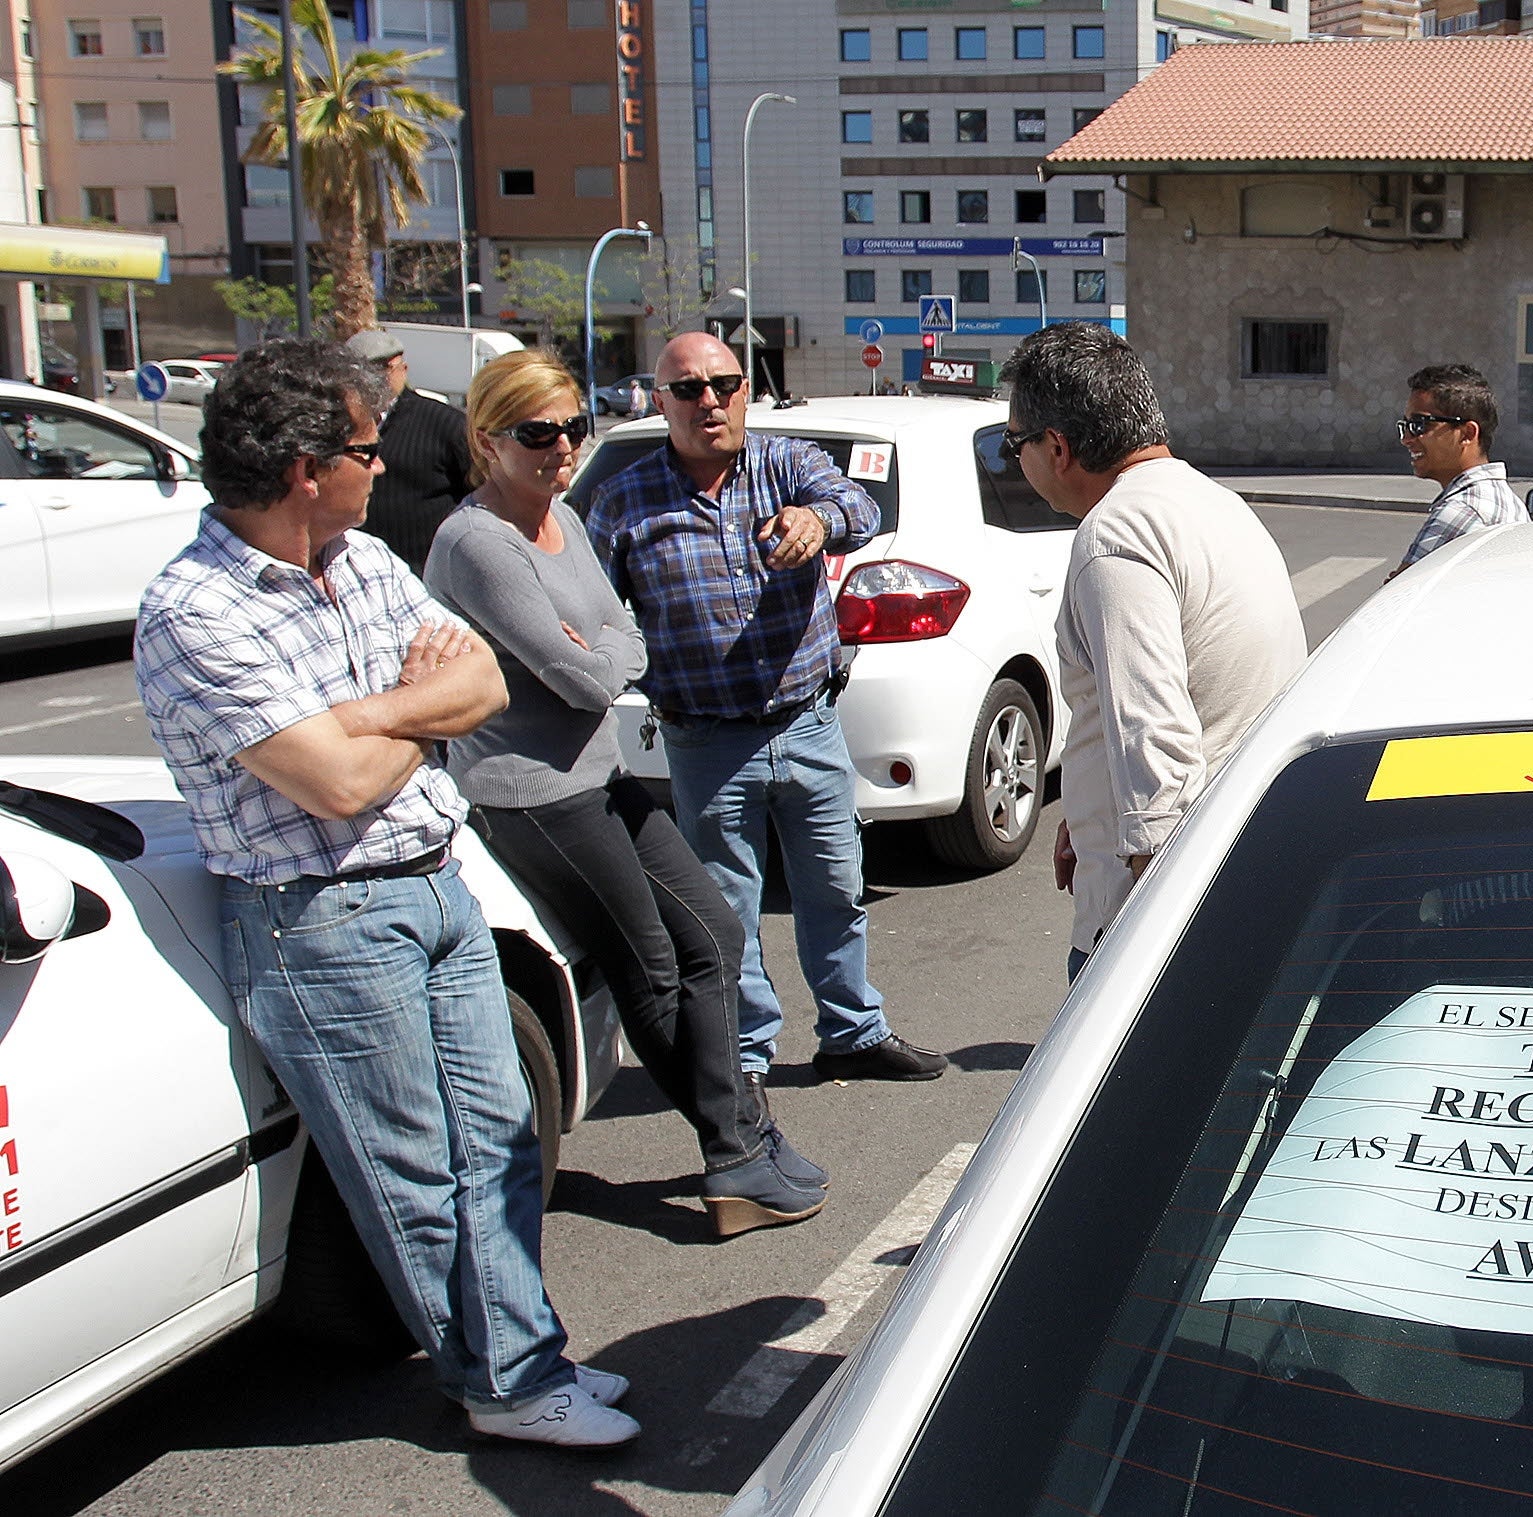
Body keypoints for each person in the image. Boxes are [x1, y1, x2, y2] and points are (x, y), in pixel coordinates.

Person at [133, 339, 636, 1447]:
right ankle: (500, 1382)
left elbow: (483, 681)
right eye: (368, 450)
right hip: (325, 918)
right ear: (309, 468)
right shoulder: (196, 611)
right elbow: (338, 782)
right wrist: (403, 708)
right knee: (411, 1166)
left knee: (498, 1137)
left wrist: (363, 711)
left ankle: (524, 1353)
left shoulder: (357, 561)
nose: (390, 468)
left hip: (434, 881)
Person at [425, 351, 830, 1236]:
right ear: (487, 440)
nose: (562, 448)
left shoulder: (560, 518)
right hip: (531, 792)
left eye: (573, 428)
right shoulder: (477, 542)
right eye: (538, 434)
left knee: (717, 934)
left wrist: (604, 647)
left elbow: (620, 636)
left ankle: (743, 1134)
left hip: (597, 774)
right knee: (650, 963)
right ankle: (735, 1155)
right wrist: (603, 650)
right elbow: (583, 675)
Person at [585, 332, 948, 1083]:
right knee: (725, 913)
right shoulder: (624, 500)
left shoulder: (786, 464)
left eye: (723, 384)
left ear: (746, 390)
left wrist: (818, 521)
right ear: (661, 402)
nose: (708, 401)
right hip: (705, 741)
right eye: (687, 389)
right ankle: (744, 1059)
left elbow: (856, 503)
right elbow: (592, 608)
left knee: (837, 888)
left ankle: (852, 1030)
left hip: (807, 722)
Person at [1002, 323, 1305, 978]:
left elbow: (1157, 744)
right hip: (1246, 862)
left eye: (1013, 444)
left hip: (1158, 913)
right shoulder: (1208, 500)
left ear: (1056, 446)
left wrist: (1159, 954)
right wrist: (1090, 813)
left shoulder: (1116, 536)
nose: (1015, 462)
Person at [343, 327, 476, 572]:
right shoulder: (338, 426)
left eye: (382, 369)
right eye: (361, 372)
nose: (371, 380)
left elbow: (481, 494)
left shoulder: (446, 424)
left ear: (402, 370)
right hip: (360, 571)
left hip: (429, 574)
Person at [1390, 363, 1524, 579]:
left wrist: (1396, 580)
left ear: (1467, 433)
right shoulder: (1506, 499)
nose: (1406, 439)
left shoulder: (1463, 511)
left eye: (1419, 425)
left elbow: (1395, 602)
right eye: (1404, 426)